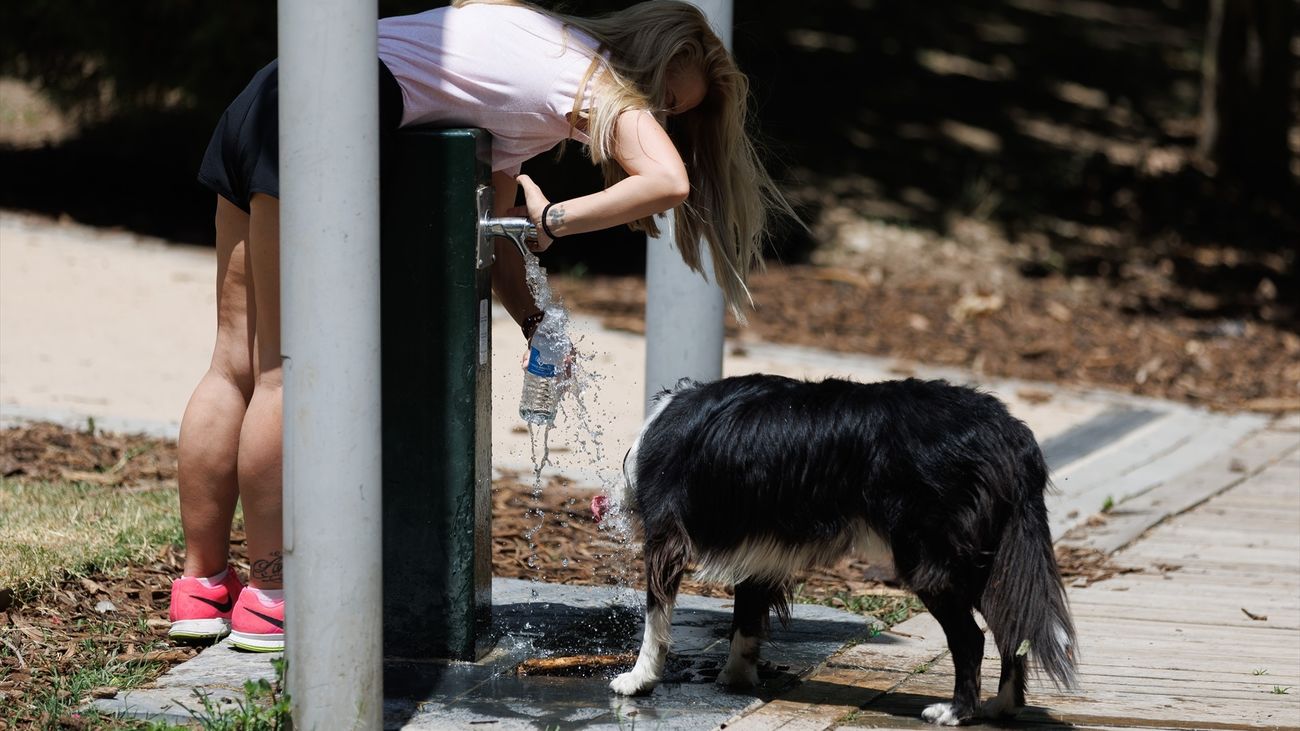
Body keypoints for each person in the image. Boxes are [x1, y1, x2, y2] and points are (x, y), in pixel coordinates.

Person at [169, 0, 795, 652]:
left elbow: (489, 239)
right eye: (665, 99)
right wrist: (555, 222)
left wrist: (535, 321)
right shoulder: (586, 78)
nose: (659, 119)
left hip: (274, 88)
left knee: (233, 365)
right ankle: (269, 598)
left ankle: (200, 585)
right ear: (646, 64)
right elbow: (668, 180)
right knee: (280, 371)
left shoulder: (529, 74)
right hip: (323, 111)